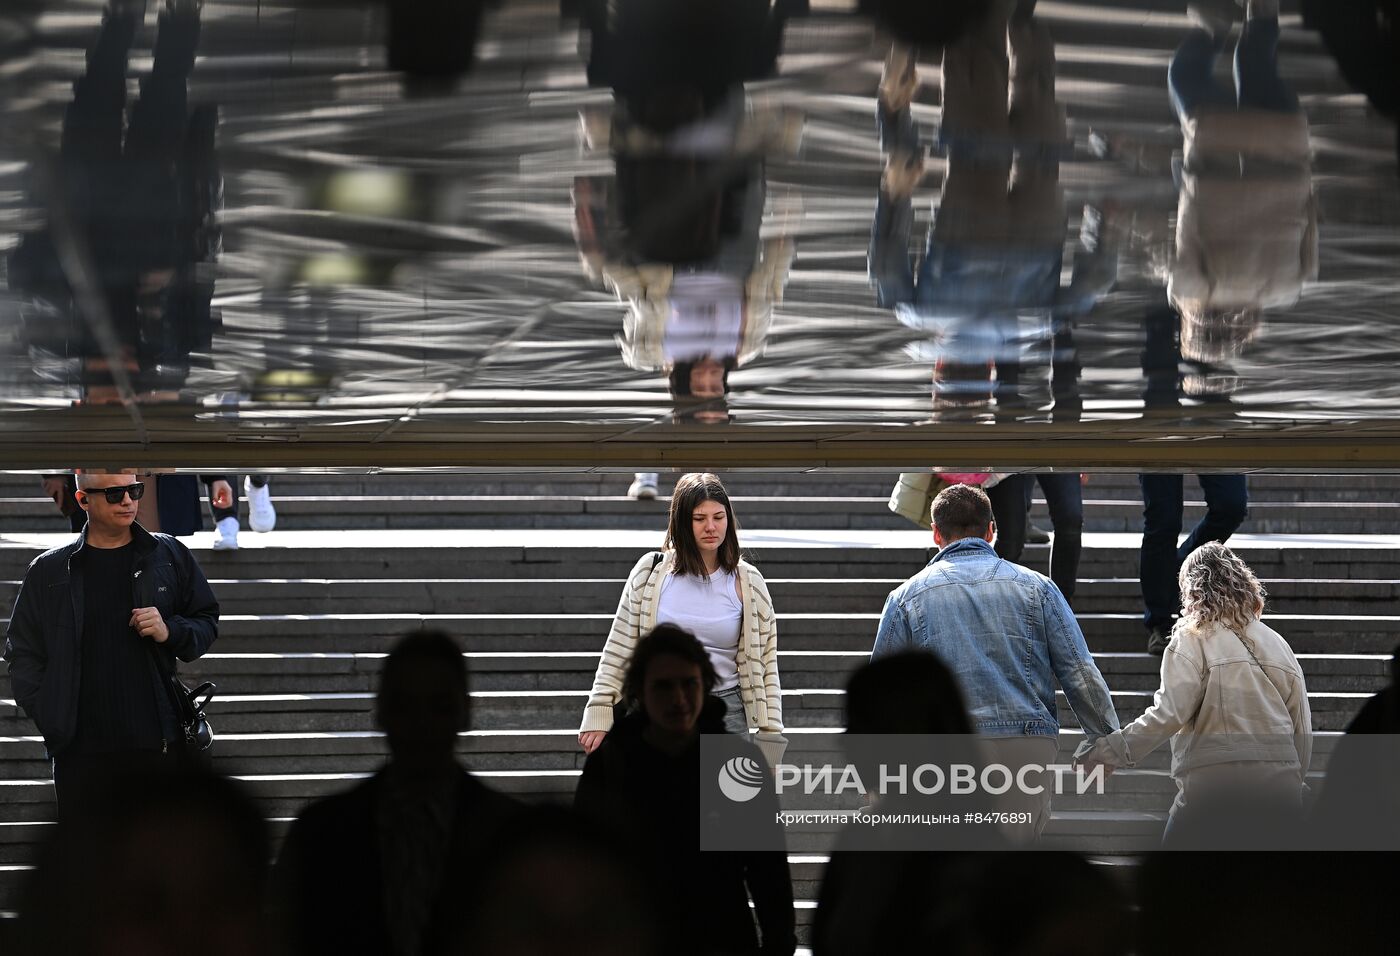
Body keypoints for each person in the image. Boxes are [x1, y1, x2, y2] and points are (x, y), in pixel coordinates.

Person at [871, 482, 1118, 842]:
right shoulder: (1039, 588)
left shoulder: (906, 597)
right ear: (991, 530)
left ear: (936, 532)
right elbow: (1079, 671)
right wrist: (1104, 740)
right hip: (1026, 746)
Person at [273, 630, 520, 956]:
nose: (422, 724)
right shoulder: (512, 833)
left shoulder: (321, 831)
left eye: (438, 706)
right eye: (406, 706)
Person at [3, 470, 220, 817]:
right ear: (83, 499)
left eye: (134, 491)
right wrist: (51, 717)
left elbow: (205, 618)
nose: (129, 502)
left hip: (158, 743)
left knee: (158, 859)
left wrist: (169, 631)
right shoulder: (49, 570)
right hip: (81, 752)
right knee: (88, 864)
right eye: (115, 495)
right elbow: (22, 652)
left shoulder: (168, 554)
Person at [574, 625, 796, 956]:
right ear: (641, 692)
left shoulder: (735, 762)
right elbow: (583, 864)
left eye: (688, 684)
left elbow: (768, 869)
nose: (678, 699)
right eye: (664, 686)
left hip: (721, 937)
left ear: (704, 685)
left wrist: (779, 944)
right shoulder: (612, 762)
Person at [1076, 543, 1312, 847]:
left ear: (1191, 590)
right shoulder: (1278, 644)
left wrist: (1109, 752)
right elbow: (1301, 728)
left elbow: (1168, 714)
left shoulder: (1191, 638)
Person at [579, 472, 785, 764]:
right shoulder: (650, 572)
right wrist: (599, 711)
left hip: (725, 712)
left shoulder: (749, 582)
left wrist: (770, 737)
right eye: (699, 518)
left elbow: (766, 666)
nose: (711, 527)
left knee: (728, 808)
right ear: (682, 521)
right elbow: (619, 647)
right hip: (655, 711)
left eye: (719, 517)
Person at [1165, 1, 1318, 343]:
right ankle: (1214, 29)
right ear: (1194, 325)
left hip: (1284, 142)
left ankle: (1262, 9)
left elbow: (1310, 220)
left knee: (1254, 63)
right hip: (1217, 141)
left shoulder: (1290, 289)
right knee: (1185, 75)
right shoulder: (1191, 288)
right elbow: (1176, 229)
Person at [1138, 472, 1248, 653]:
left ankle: (1178, 570)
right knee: (1163, 520)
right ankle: (1160, 621)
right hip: (1158, 444)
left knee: (1231, 506)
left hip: (1217, 443)